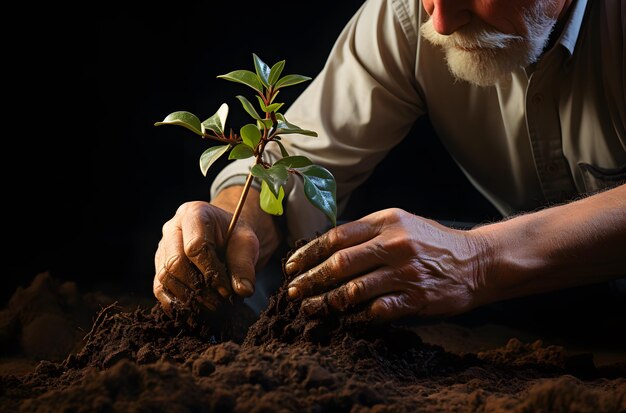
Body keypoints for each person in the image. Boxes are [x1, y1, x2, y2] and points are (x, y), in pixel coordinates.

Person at [153, 0, 625, 323]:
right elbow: (295, 165)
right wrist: (239, 215)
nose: (440, 22)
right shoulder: (407, 16)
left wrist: (480, 259)